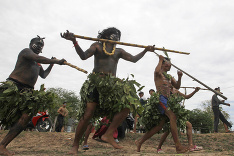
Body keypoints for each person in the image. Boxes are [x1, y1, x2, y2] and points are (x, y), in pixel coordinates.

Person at [61, 27, 154, 155]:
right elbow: (83, 56)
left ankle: (109, 134)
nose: (116, 37)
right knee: (88, 115)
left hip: (112, 86)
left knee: (128, 106)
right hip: (96, 84)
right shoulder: (97, 46)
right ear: (107, 35)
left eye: (118, 36)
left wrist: (145, 50)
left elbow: (133, 59)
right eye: (113, 34)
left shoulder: (119, 51)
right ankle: (75, 145)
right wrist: (74, 42)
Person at [0, 36, 65, 156]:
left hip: (28, 92)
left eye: (42, 45)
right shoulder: (26, 52)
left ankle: (2, 145)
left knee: (25, 118)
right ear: (31, 44)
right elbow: (36, 57)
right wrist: (55, 61)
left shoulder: (38, 63)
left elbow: (44, 75)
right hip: (13, 87)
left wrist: (52, 65)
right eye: (37, 43)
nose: (39, 46)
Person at [135, 55, 188, 153]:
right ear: (163, 65)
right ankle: (178, 146)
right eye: (167, 65)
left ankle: (139, 141)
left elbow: (177, 86)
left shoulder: (169, 77)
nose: (169, 67)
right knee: (172, 116)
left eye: (170, 66)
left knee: (159, 126)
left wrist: (179, 77)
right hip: (160, 98)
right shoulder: (158, 74)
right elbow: (156, 71)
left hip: (168, 100)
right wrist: (160, 60)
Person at [156, 87, 203, 153]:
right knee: (167, 131)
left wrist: (195, 91)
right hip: (168, 113)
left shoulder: (176, 91)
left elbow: (186, 97)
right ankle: (159, 148)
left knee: (189, 125)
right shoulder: (165, 91)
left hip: (176, 113)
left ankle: (191, 146)